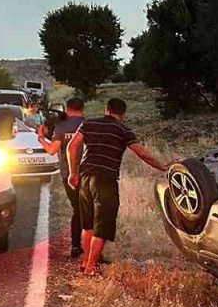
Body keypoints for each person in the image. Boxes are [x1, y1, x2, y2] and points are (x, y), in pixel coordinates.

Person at [66, 98, 170, 275]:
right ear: (123, 114)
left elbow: (71, 147)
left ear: (106, 110)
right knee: (103, 224)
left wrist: (73, 172)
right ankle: (91, 267)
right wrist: (163, 167)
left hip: (85, 177)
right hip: (105, 179)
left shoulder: (89, 123)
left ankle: (85, 263)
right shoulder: (123, 129)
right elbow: (142, 153)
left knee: (88, 224)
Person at [39, 97, 86, 257]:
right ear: (82, 109)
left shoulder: (61, 127)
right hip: (87, 174)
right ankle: (89, 248)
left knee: (77, 209)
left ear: (67, 108)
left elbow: (52, 150)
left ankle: (75, 246)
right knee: (89, 209)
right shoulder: (88, 124)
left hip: (68, 175)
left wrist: (41, 138)